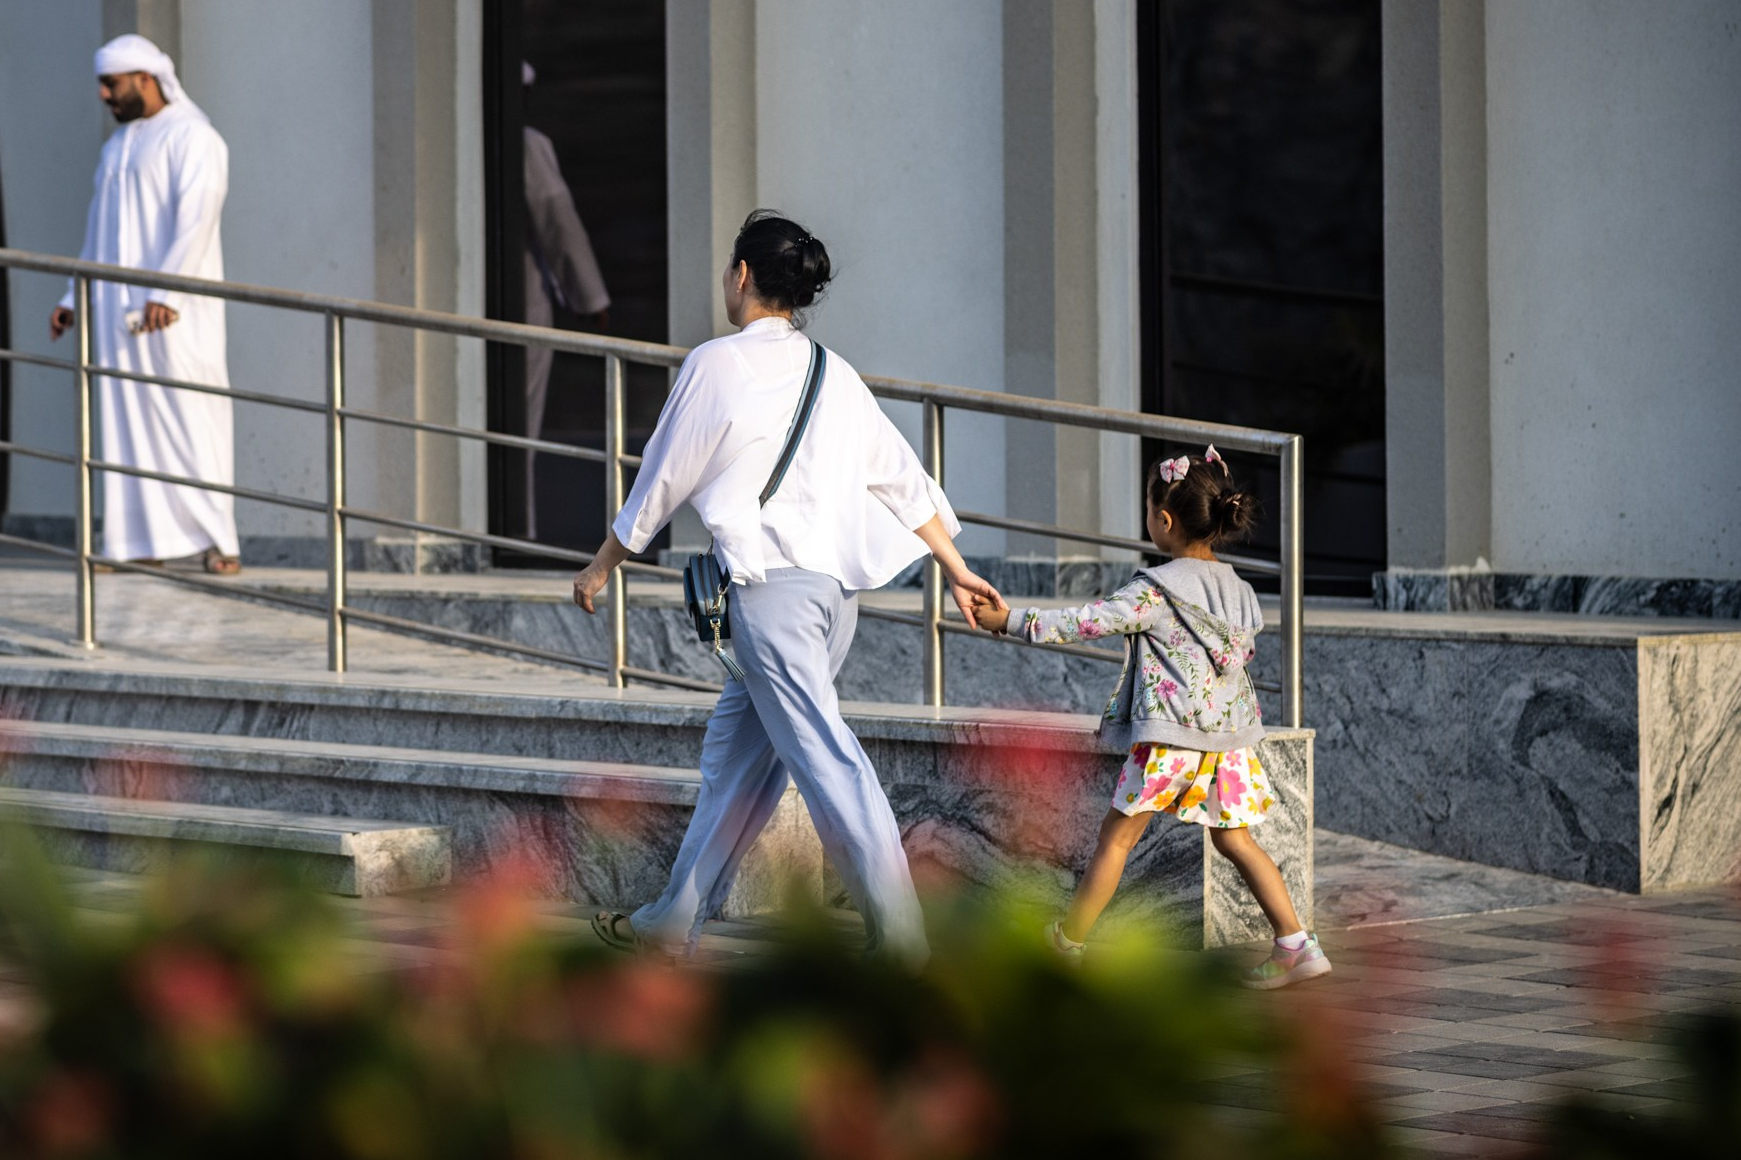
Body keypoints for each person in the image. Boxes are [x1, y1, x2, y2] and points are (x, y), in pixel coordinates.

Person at [568, 211, 1006, 965]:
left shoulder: (716, 363)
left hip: (772, 599)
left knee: (829, 761)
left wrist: (602, 563)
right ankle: (671, 922)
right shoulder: (834, 372)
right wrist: (956, 567)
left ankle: (902, 941)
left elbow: (663, 475)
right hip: (831, 601)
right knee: (736, 764)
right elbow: (901, 478)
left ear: (742, 274)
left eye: (728, 269)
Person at [959, 447, 1328, 989]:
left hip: (1170, 741)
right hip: (1227, 743)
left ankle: (1066, 943)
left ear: (1165, 520)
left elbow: (1086, 621)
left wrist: (1010, 621)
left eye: (1149, 510)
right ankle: (1297, 944)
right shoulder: (1242, 592)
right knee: (1237, 840)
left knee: (1116, 840)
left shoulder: (1156, 591)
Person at [48, 34, 240, 575]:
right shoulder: (117, 147)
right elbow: (99, 230)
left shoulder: (194, 137)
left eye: (111, 84)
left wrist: (166, 291)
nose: (104, 95)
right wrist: (73, 296)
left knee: (191, 419)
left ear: (144, 79)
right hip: (116, 314)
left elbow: (198, 216)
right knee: (126, 428)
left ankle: (219, 543)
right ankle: (137, 543)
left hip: (175, 316)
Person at [519, 85, 610, 536]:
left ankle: (515, 530)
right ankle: (519, 533)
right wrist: (591, 299)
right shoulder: (524, 142)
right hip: (520, 302)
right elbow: (558, 221)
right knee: (521, 424)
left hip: (511, 295)